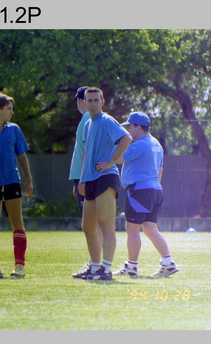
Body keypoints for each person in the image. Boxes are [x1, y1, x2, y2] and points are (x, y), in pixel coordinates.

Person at [75, 87, 132, 281]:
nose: (92, 103)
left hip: (106, 177)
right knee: (87, 226)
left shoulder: (107, 120)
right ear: (84, 103)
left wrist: (111, 161)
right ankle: (94, 268)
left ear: (102, 102)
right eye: (89, 100)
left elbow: (126, 138)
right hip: (90, 179)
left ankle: (106, 270)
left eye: (96, 100)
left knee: (106, 224)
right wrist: (82, 178)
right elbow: (86, 152)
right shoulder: (88, 124)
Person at [112, 112, 178, 277]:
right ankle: (168, 263)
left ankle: (131, 267)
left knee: (132, 229)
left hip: (139, 191)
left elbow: (119, 159)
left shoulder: (140, 144)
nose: (128, 130)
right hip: (155, 190)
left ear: (138, 127)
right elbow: (160, 170)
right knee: (150, 229)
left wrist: (118, 143)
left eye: (129, 127)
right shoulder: (157, 144)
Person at [0, 93, 34, 278]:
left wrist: (29, 178)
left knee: (17, 223)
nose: (12, 112)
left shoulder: (14, 129)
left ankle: (19, 266)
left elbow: (22, 155)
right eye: (9, 108)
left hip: (12, 181)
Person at [68, 86, 96, 277]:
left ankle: (95, 264)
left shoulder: (87, 118)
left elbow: (87, 151)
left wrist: (82, 179)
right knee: (92, 223)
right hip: (82, 176)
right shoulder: (87, 119)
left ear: (80, 101)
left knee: (90, 224)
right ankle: (96, 263)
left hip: (85, 176)